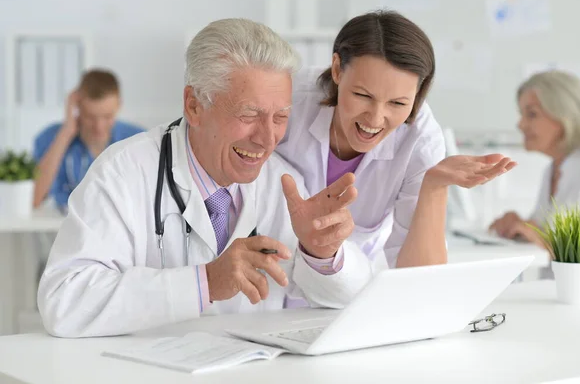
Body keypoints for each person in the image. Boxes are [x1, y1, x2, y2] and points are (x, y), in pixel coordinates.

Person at [37, 18, 377, 338]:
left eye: (281, 117)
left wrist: (323, 253)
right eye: (249, 114)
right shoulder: (123, 173)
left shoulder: (281, 183)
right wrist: (203, 283)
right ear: (194, 105)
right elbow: (64, 301)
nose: (267, 138)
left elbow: (350, 302)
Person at [276, 10, 516, 270]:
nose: (376, 119)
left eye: (397, 103)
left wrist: (433, 186)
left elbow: (421, 277)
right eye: (362, 95)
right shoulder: (287, 99)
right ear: (337, 70)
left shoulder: (421, 141)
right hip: (270, 273)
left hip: (344, 281)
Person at [490, 71, 580, 247]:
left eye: (532, 114)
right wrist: (521, 225)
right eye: (522, 114)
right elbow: (548, 234)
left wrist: (541, 240)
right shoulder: (551, 170)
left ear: (565, 115)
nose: (520, 124)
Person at [33, 69, 145, 210]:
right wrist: (67, 132)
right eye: (90, 117)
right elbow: (34, 199)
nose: (99, 126)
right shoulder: (50, 138)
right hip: (62, 228)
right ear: (77, 107)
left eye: (107, 116)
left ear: (118, 105)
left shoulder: (138, 139)